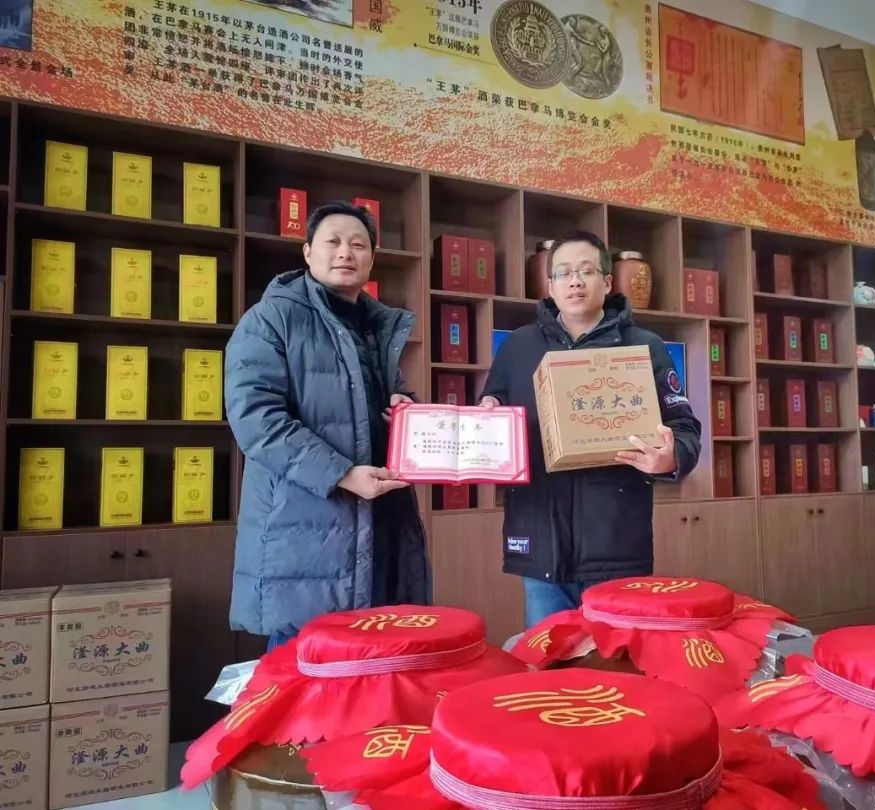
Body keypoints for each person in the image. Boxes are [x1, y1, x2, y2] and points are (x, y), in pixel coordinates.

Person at [225, 201, 429, 650]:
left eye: (358, 244)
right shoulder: (271, 319)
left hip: (380, 524)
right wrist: (341, 474)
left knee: (370, 671)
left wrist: (406, 412)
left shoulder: (376, 327)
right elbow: (257, 418)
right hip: (305, 534)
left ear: (371, 259)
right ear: (307, 252)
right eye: (332, 242)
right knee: (302, 671)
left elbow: (382, 401)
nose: (345, 252)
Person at [479, 231, 701, 627]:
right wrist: (489, 418)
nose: (575, 282)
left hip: (617, 544)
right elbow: (492, 414)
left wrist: (670, 458)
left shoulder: (644, 347)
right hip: (540, 542)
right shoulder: (518, 347)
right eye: (563, 273)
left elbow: (685, 428)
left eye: (586, 271)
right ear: (550, 286)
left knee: (615, 661)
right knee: (550, 659)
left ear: (608, 281)